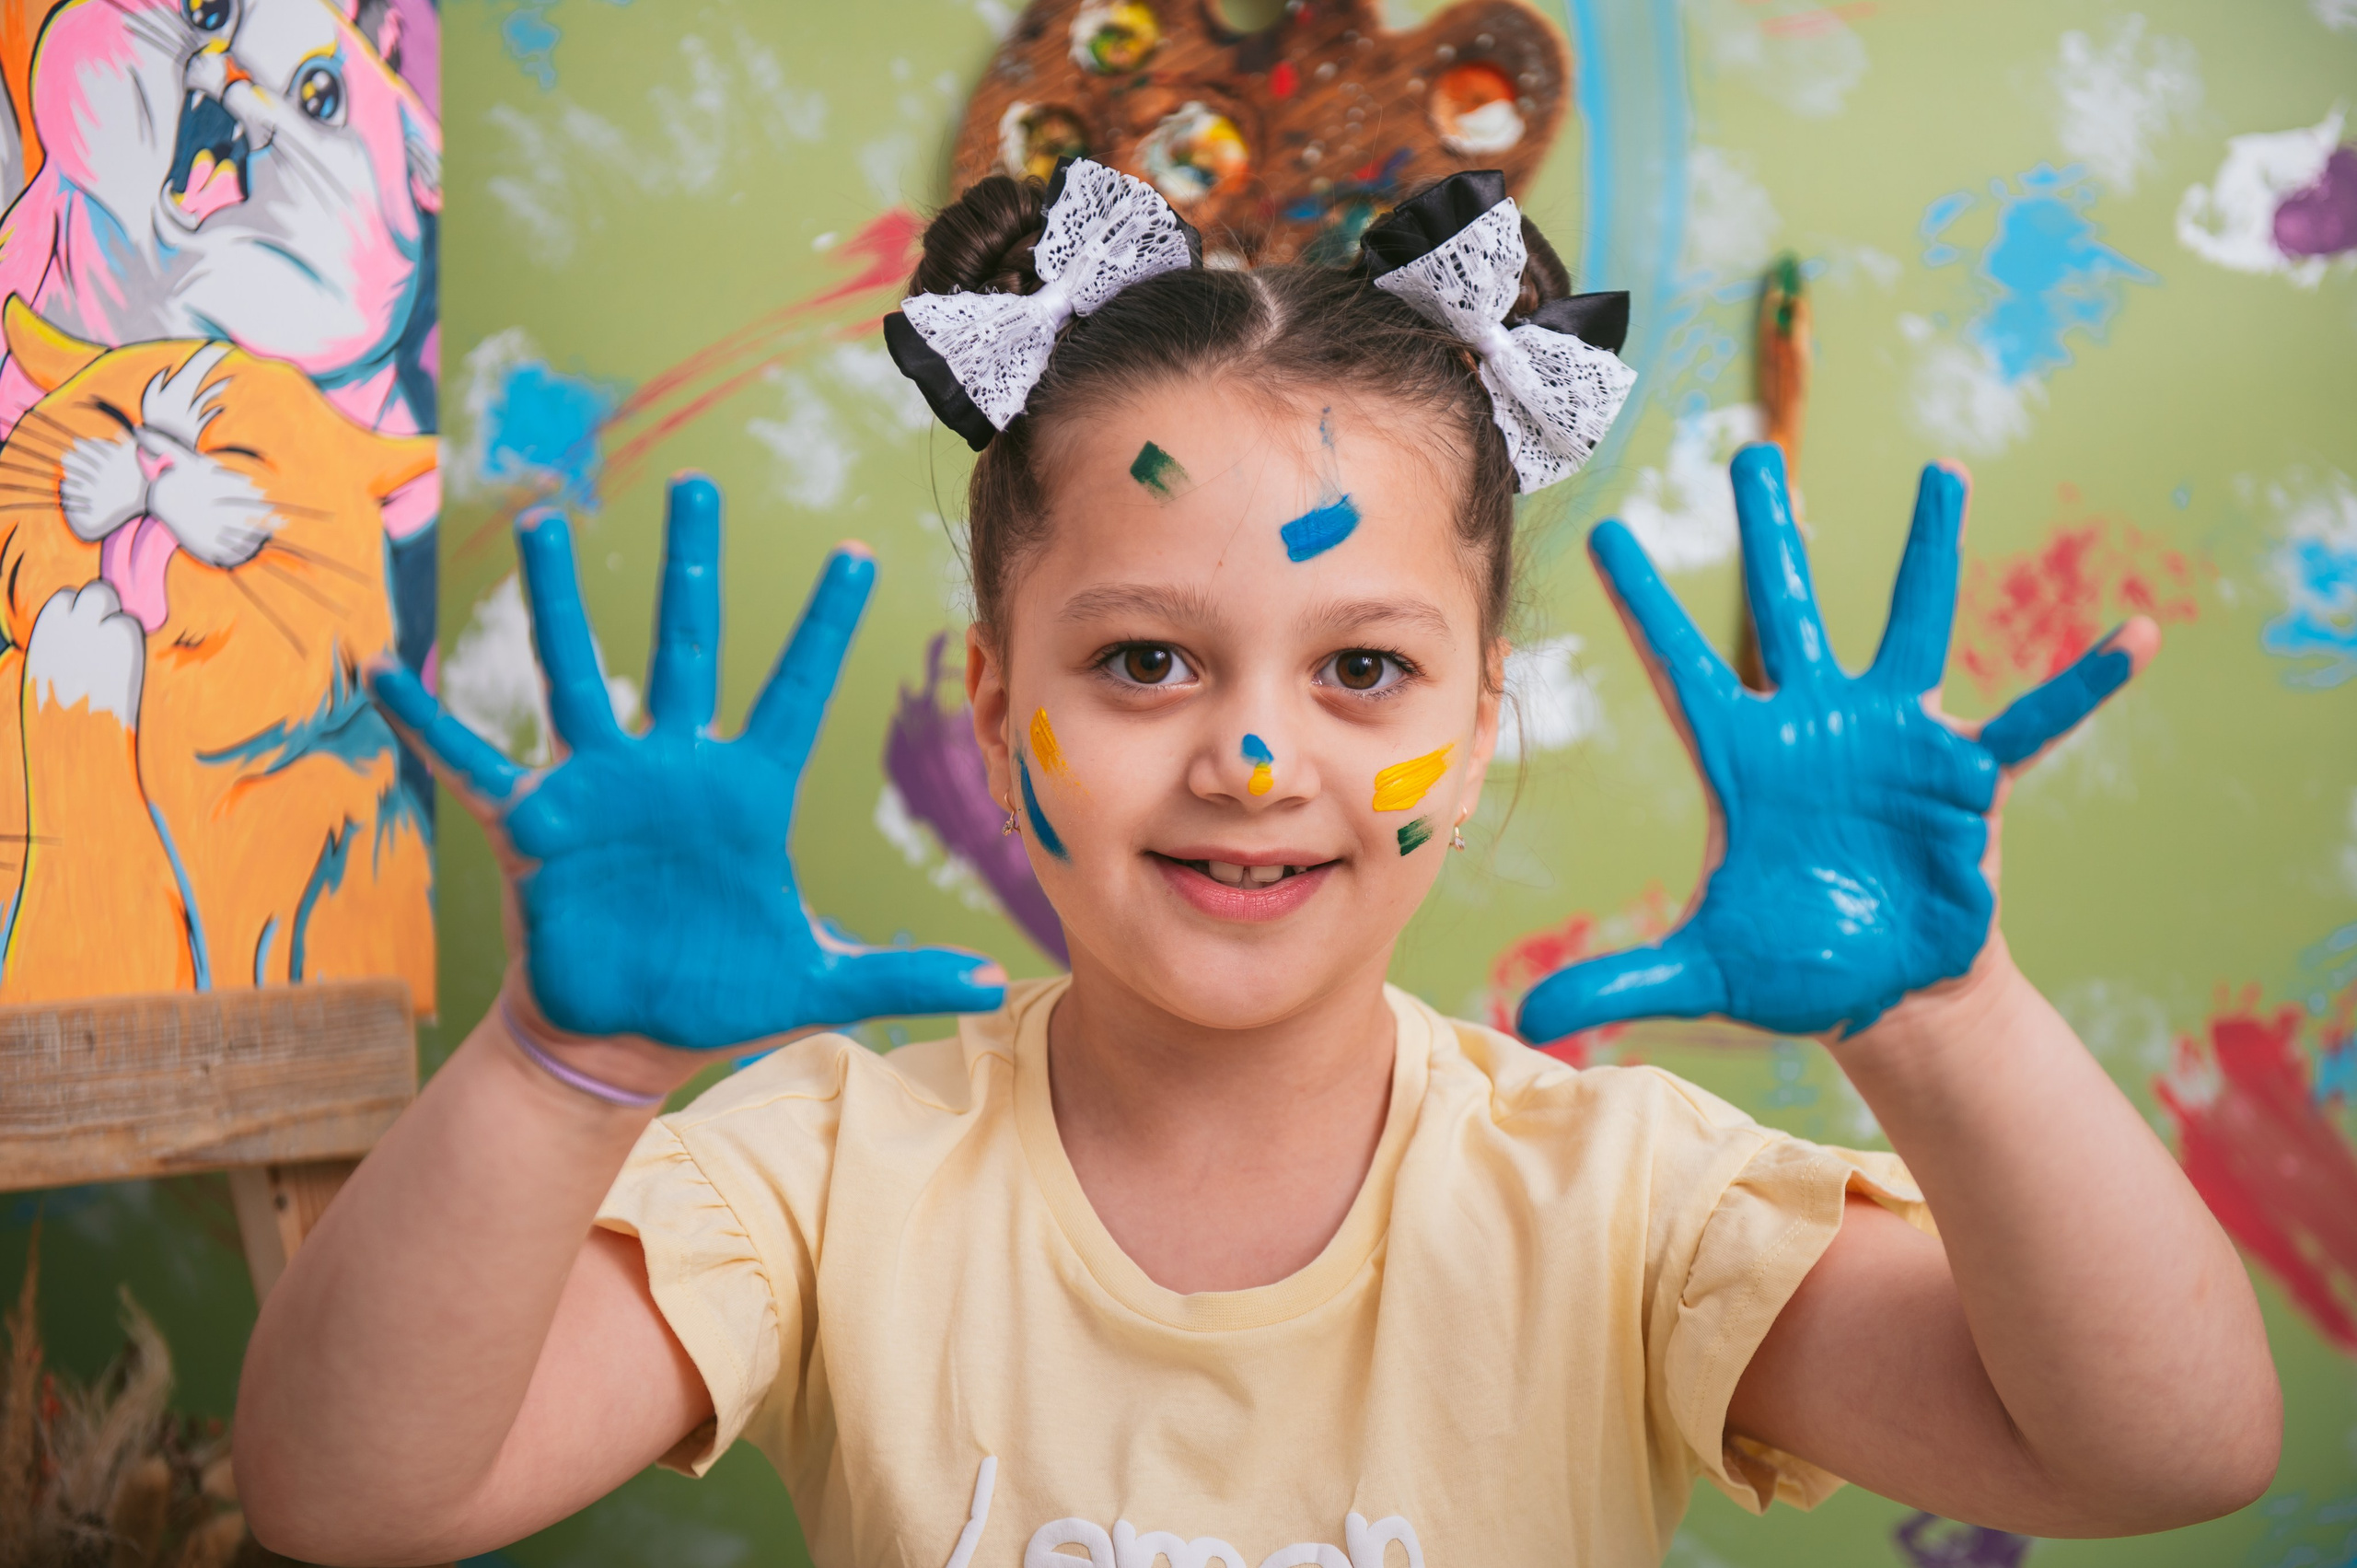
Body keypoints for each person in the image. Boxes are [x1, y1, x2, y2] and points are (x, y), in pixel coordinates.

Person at [233, 163, 2278, 1567]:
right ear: (989, 699)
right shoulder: (822, 1171)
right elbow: (349, 1498)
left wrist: (1950, 1020)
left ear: (1476, 732)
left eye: (1363, 667)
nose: (1245, 750)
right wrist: (547, 1072)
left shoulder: (1621, 1205)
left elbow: (2167, 1456)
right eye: (1141, 661)